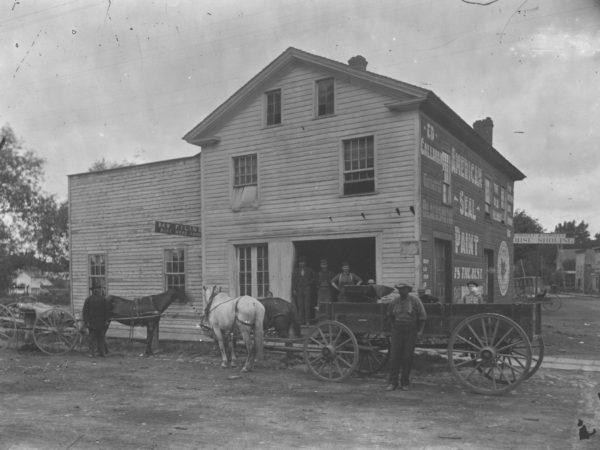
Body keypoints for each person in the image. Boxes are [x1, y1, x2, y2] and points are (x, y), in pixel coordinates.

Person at [383, 282, 427, 391]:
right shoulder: (394, 301)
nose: (401, 291)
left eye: (404, 289)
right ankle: (393, 383)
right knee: (394, 357)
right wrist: (393, 327)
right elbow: (389, 315)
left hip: (410, 331)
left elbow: (423, 317)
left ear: (408, 290)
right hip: (397, 331)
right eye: (400, 289)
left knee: (407, 357)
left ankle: (404, 382)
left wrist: (420, 331)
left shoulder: (415, 300)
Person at [82, 286, 110, 357]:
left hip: (100, 323)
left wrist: (106, 321)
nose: (96, 291)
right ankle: (92, 353)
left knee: (101, 338)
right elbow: (85, 312)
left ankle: (102, 353)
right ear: (93, 291)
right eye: (95, 289)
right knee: (92, 338)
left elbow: (107, 312)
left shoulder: (103, 300)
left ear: (99, 290)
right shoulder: (88, 300)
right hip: (92, 323)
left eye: (97, 289)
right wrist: (86, 322)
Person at [292, 256, 315, 325]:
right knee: (300, 306)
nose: (301, 264)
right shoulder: (296, 271)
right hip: (299, 290)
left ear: (305, 263)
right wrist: (294, 289)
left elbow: (314, 278)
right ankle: (301, 321)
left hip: (307, 289)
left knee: (307, 306)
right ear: (299, 263)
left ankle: (307, 321)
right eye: (300, 262)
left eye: (303, 262)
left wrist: (309, 283)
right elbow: (293, 281)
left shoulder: (309, 270)